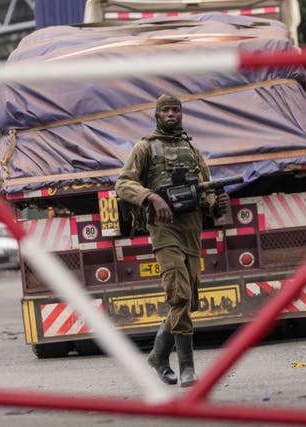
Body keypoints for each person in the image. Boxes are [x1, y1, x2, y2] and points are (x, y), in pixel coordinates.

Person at [115, 93, 228, 387]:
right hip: (164, 230)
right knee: (178, 294)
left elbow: (207, 188)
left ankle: (157, 355)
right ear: (156, 114)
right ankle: (187, 368)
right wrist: (151, 197)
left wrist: (216, 204)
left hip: (191, 230)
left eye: (176, 110)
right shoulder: (145, 148)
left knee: (188, 298)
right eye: (165, 110)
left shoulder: (192, 149)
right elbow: (123, 184)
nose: (171, 114)